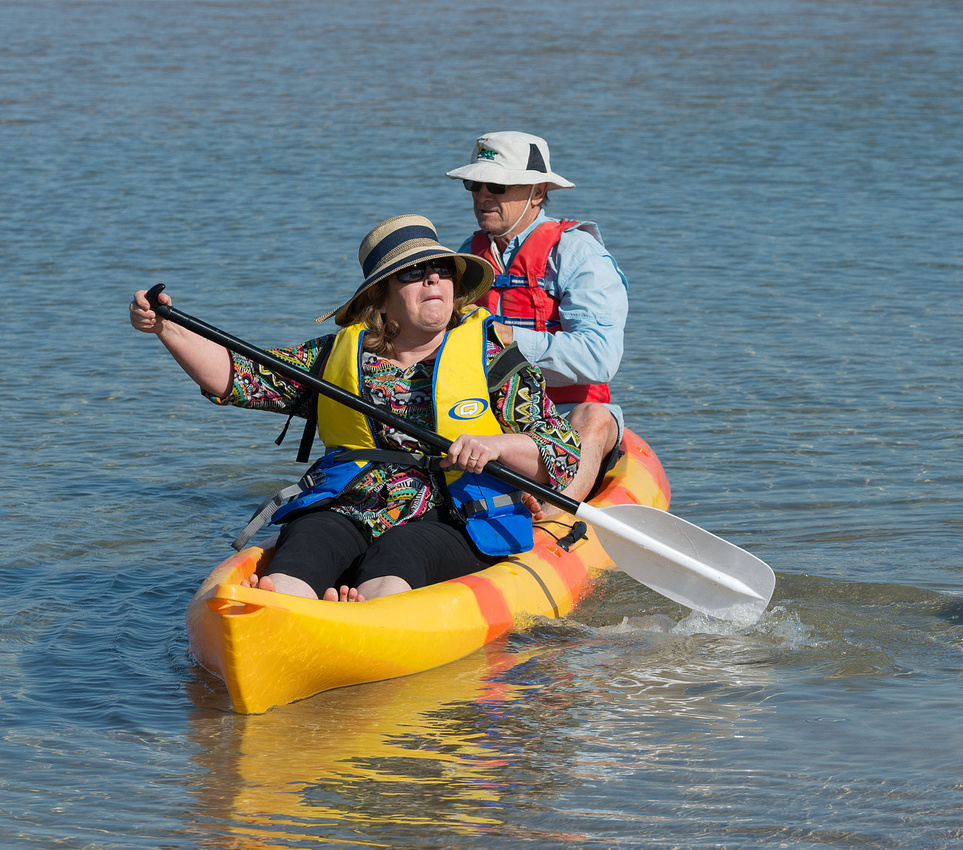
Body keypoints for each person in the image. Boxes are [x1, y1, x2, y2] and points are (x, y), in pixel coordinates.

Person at [129, 215, 580, 602]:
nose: (432, 279)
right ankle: (284, 616)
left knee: (401, 553)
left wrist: (496, 445)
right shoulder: (334, 358)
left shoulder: (494, 358)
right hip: (351, 503)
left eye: (441, 269)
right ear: (381, 296)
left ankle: (366, 623)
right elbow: (234, 377)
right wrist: (166, 329)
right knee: (308, 542)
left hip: (455, 513)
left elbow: (562, 453)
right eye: (413, 273)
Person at [446, 131, 628, 502]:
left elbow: (600, 359)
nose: (483, 196)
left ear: (539, 191)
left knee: (594, 418)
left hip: (567, 413)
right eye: (474, 184)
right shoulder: (469, 255)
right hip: (488, 416)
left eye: (496, 185)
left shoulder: (578, 254)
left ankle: (557, 512)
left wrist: (509, 339)